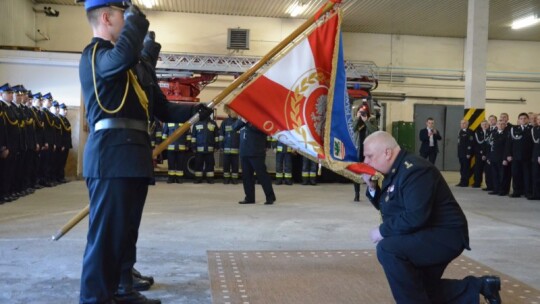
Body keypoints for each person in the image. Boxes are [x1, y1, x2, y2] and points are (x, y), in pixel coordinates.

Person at [78, 1, 212, 303]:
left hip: (132, 156)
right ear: (106, 17)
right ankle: (94, 298)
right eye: (123, 18)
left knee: (125, 235)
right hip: (111, 157)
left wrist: (196, 112)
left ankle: (121, 290)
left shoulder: (125, 66)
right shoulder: (95, 56)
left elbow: (159, 108)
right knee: (106, 239)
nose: (127, 24)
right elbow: (123, 54)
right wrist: (138, 24)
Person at [361, 131, 501, 304]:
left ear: (387, 153)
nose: (365, 162)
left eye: (369, 156)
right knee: (416, 287)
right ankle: (482, 286)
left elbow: (415, 216)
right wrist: (372, 187)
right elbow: (391, 207)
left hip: (445, 235)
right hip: (426, 232)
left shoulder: (415, 170)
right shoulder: (396, 170)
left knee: (388, 249)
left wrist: (382, 231)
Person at [233, 119, 276, 205]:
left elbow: (259, 130)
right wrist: (243, 120)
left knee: (262, 175)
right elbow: (234, 127)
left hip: (256, 151)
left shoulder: (257, 119)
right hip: (244, 151)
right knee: (246, 177)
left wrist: (249, 121)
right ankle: (249, 198)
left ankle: (270, 197)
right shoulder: (242, 120)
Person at [352, 102, 378, 201]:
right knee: (356, 172)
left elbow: (374, 131)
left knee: (369, 172)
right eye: (360, 111)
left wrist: (366, 121)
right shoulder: (356, 119)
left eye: (364, 111)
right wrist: (357, 118)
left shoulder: (372, 119)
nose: (362, 113)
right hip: (358, 149)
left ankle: (371, 191)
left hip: (368, 150)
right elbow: (352, 129)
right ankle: (356, 193)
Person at [506, 112, 532, 198]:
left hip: (528, 157)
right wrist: (509, 154)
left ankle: (527, 192)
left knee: (527, 175)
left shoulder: (532, 129)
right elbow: (509, 143)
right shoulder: (514, 129)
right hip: (515, 156)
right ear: (518, 120)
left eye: (525, 118)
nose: (523, 120)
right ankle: (516, 192)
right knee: (516, 174)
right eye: (521, 118)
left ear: (528, 119)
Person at [191, 115, 219, 184]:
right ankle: (198, 179)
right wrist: (193, 147)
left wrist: (216, 146)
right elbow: (193, 137)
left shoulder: (213, 123)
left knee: (210, 165)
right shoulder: (196, 123)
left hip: (209, 149)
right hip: (199, 150)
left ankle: (210, 179)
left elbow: (216, 136)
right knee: (198, 164)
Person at [487, 120, 509, 196]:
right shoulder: (493, 133)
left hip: (502, 158)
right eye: (499, 124)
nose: (500, 125)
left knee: (502, 175)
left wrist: (505, 158)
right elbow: (490, 146)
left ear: (505, 125)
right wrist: (489, 157)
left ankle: (503, 190)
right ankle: (496, 189)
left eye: (502, 124)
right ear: (496, 125)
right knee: (495, 175)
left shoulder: (507, 134)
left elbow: (507, 148)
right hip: (493, 157)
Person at [219, 105, 240, 185]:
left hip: (236, 149)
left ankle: (234, 179)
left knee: (235, 165)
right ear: (229, 112)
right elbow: (221, 135)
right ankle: (226, 179)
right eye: (233, 111)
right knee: (226, 165)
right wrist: (221, 146)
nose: (234, 112)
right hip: (226, 149)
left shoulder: (239, 122)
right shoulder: (225, 122)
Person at [457, 119, 474, 187]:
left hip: (466, 154)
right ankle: (462, 181)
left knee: (466, 169)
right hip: (461, 153)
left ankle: (465, 182)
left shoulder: (470, 132)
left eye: (464, 123)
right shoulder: (460, 131)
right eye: (461, 123)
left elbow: (471, 143)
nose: (462, 124)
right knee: (462, 168)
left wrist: (468, 153)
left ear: (467, 124)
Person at [472, 120, 489, 188]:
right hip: (479, 154)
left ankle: (489, 185)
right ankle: (477, 183)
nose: (484, 125)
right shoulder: (477, 133)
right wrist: (481, 153)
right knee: (478, 169)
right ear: (481, 125)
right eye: (483, 124)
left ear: (488, 125)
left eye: (486, 124)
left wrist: (485, 153)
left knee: (488, 171)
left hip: (488, 155)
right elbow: (476, 144)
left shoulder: (491, 132)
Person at [530, 114, 540, 200]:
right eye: (538, 119)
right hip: (536, 154)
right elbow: (536, 140)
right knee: (535, 174)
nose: (539, 121)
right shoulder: (534, 129)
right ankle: (536, 194)